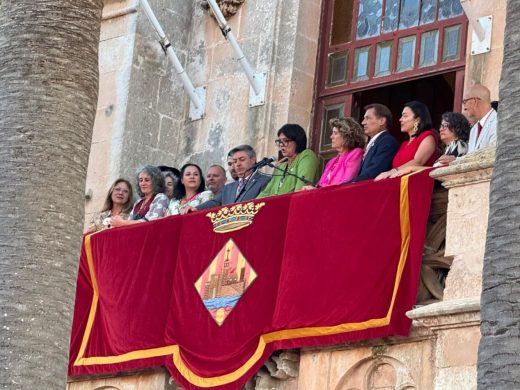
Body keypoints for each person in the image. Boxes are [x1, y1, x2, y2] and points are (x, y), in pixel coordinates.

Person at [195, 145, 271, 210]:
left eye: (242, 159)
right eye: (235, 161)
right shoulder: (228, 188)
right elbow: (214, 202)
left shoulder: (266, 181)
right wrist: (195, 209)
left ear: (253, 160)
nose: (237, 164)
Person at [375, 101, 438, 180]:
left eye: (405, 116)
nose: (400, 119)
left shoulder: (427, 136)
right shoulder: (404, 144)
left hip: (417, 185)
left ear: (417, 120)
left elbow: (418, 162)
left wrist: (391, 172)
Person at [257, 124, 319, 198]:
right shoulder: (281, 166)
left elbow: (301, 191)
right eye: (279, 141)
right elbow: (266, 193)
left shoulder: (306, 156)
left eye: (286, 141)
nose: (281, 145)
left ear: (297, 140)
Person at [301, 117, 365, 189]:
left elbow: (347, 183)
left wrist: (318, 189)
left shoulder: (356, 153)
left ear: (347, 136)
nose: (331, 137)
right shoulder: (331, 162)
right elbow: (320, 185)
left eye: (335, 133)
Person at [352, 103, 399, 182]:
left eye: (367, 118)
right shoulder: (374, 142)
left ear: (382, 121)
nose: (363, 122)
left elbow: (373, 173)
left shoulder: (387, 141)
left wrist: (347, 185)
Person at [462, 84, 497, 153]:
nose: (464, 107)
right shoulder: (474, 129)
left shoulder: (498, 123)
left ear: (475, 101)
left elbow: (492, 155)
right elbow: (471, 157)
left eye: (465, 102)